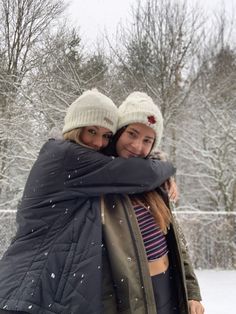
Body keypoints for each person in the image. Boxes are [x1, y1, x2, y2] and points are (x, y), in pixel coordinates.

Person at [0, 89, 176, 314]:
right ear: (75, 128)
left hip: (43, 290)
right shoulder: (65, 156)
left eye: (106, 136)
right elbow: (142, 174)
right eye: (91, 131)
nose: (98, 142)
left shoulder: (90, 171)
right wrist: (167, 166)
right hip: (28, 290)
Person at [101, 92, 205, 314]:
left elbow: (177, 243)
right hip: (132, 297)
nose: (137, 146)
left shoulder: (154, 185)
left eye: (147, 140)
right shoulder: (101, 184)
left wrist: (192, 291)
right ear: (118, 132)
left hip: (168, 287)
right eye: (132, 133)